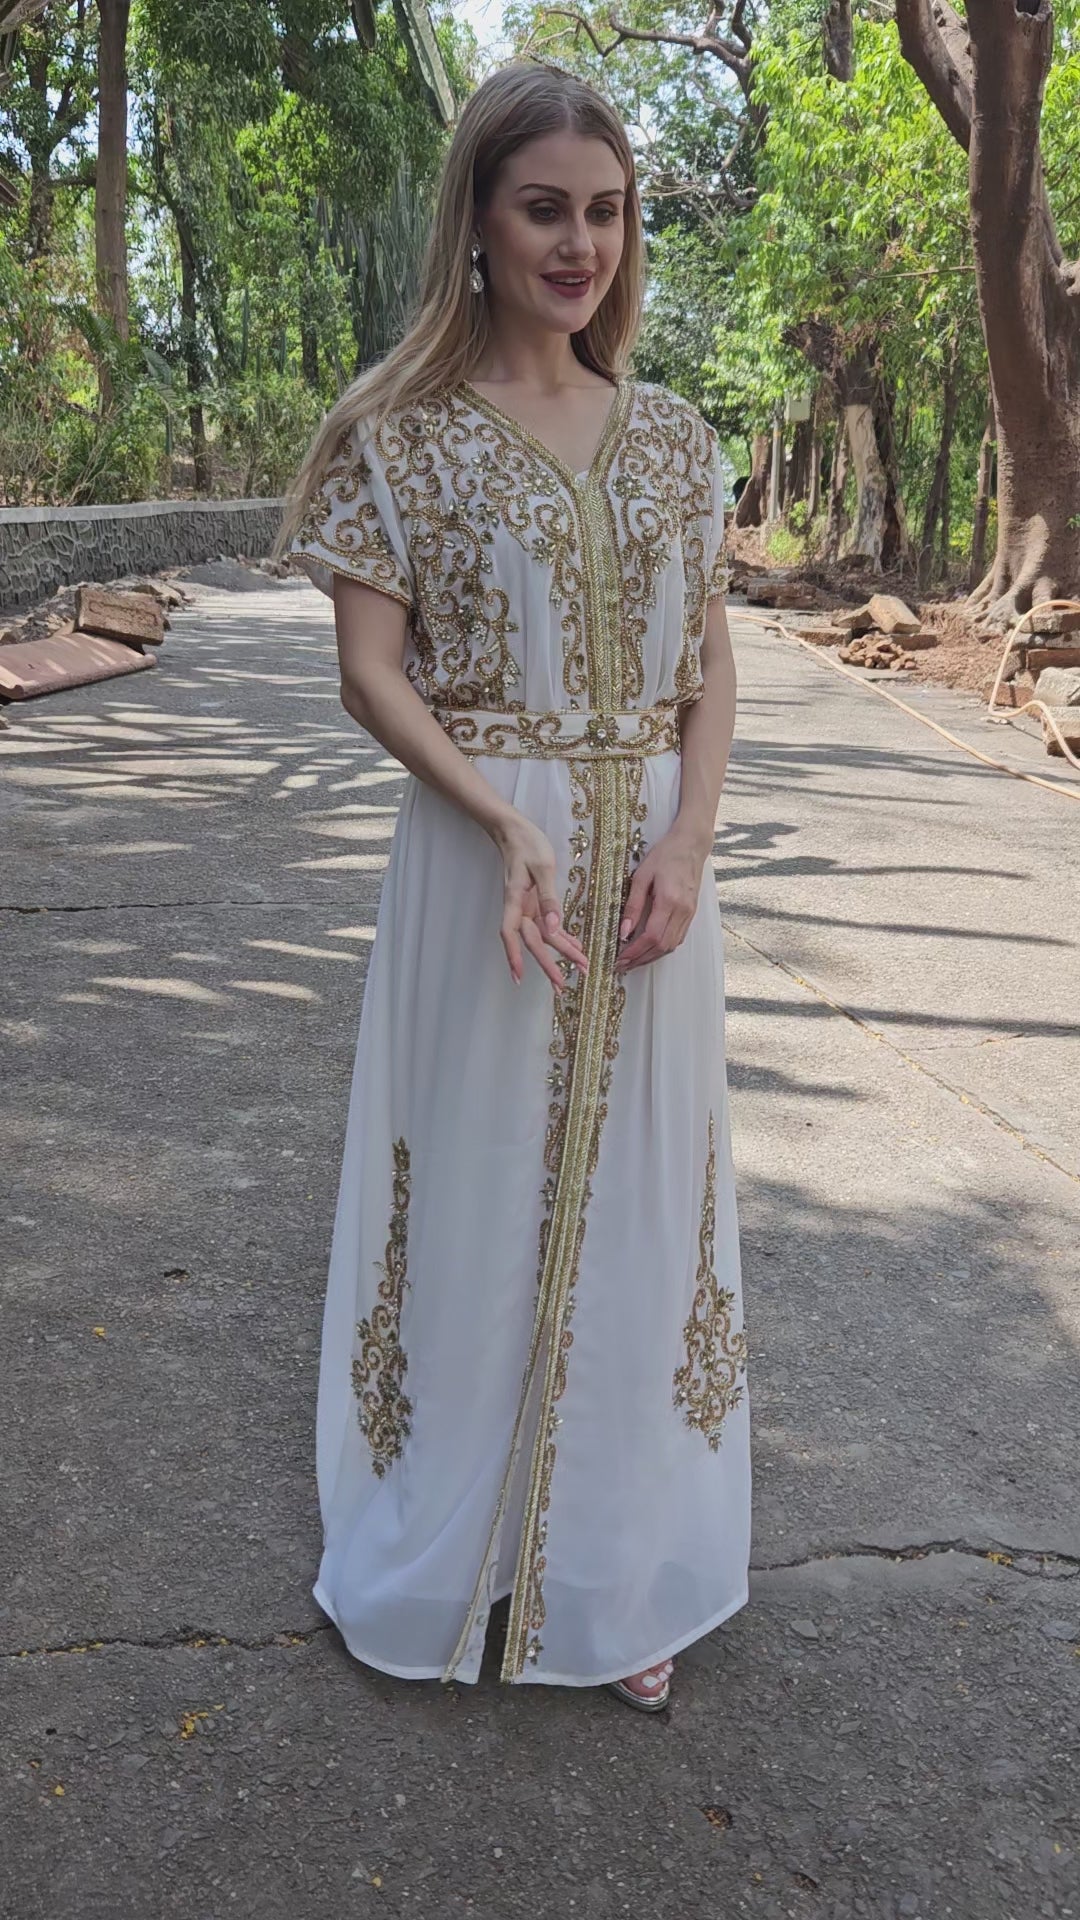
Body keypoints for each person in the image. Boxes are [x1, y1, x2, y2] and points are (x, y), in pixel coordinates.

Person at [273, 57, 750, 1712]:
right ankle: (459, 1546)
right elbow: (369, 674)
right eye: (544, 208)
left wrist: (687, 840)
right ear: (474, 217)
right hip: (484, 853)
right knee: (476, 1181)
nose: (580, 245)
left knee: (638, 1197)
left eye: (606, 213)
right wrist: (502, 819)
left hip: (650, 870)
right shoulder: (395, 436)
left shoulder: (677, 439)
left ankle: (613, 1568)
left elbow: (709, 670)